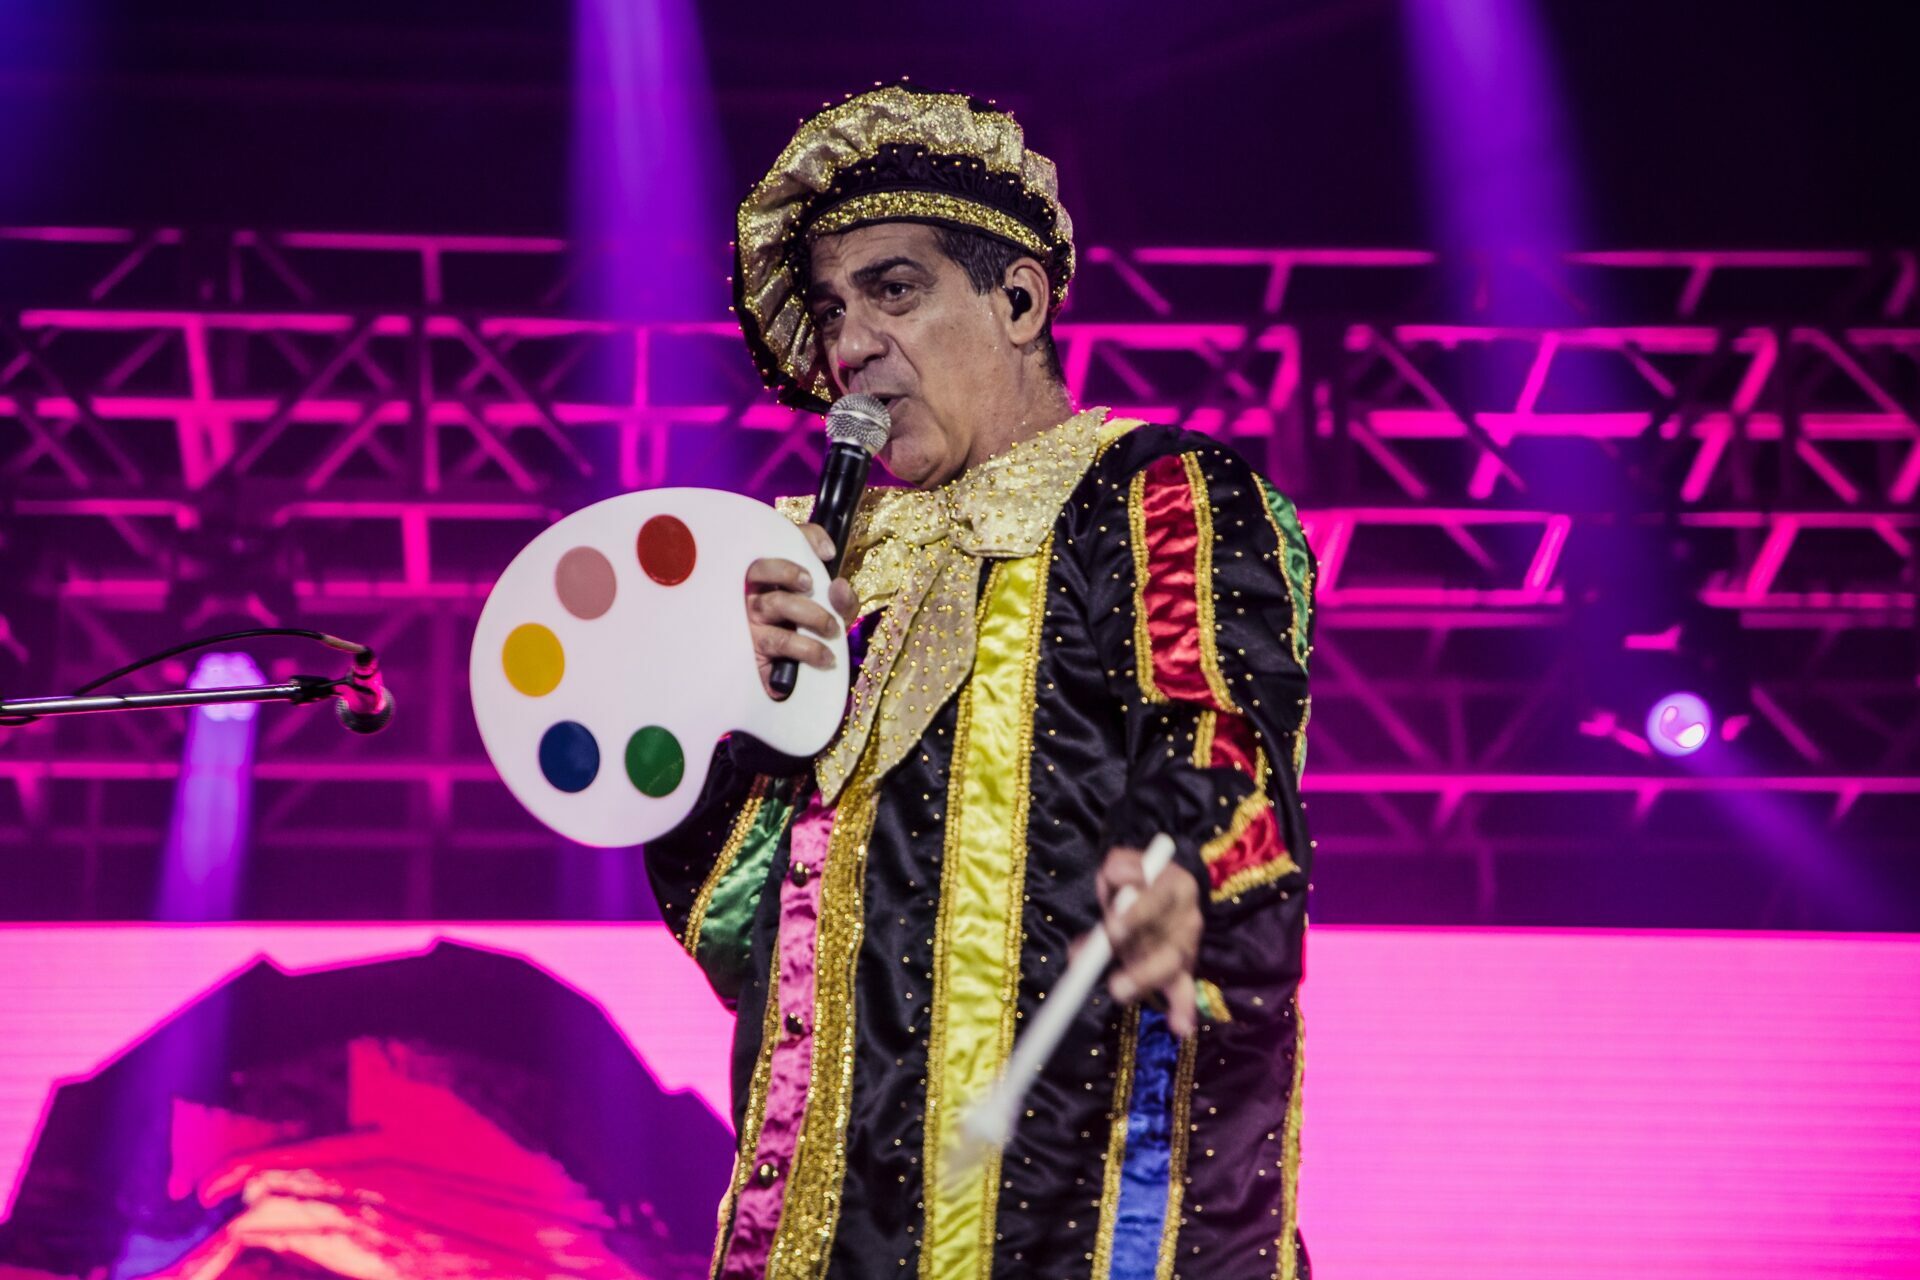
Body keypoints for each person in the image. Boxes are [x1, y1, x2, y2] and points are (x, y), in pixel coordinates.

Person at [645, 84, 1315, 1280]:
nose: (850, 346)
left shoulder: (1148, 491)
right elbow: (737, 927)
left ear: (1018, 300)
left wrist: (1181, 867)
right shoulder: (830, 574)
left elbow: (1216, 724)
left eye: (894, 290)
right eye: (831, 309)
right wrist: (742, 715)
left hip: (1083, 1220)